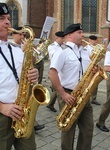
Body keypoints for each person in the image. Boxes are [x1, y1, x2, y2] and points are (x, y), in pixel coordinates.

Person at [49, 23, 94, 150]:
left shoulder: (85, 52)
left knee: (88, 128)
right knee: (68, 130)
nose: (83, 35)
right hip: (69, 95)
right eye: (79, 33)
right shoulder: (62, 52)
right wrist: (63, 94)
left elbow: (88, 71)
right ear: (69, 35)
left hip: (84, 95)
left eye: (82, 32)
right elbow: (52, 73)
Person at [0, 3, 39, 150]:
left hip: (23, 112)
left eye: (8, 18)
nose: (8, 22)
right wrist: (2, 107)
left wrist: (34, 73)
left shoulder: (16, 51)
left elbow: (26, 75)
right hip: (2, 115)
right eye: (1, 18)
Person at [10, 27, 45, 131]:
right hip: (16, 83)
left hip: (26, 81)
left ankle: (31, 121)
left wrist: (31, 50)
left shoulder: (24, 45)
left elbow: (34, 61)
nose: (22, 37)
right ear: (13, 35)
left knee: (28, 103)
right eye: (20, 34)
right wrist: (23, 51)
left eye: (24, 35)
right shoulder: (10, 46)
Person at [46, 31, 65, 112]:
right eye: (62, 38)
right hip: (54, 71)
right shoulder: (52, 47)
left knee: (57, 89)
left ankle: (50, 104)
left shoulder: (63, 46)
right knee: (59, 89)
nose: (63, 39)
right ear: (57, 38)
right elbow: (54, 56)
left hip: (61, 71)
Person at [84, 35, 101, 105]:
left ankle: (93, 98)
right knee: (87, 83)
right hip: (89, 67)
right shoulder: (86, 49)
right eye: (94, 40)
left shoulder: (96, 48)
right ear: (90, 40)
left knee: (95, 82)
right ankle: (86, 97)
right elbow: (87, 58)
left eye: (96, 40)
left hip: (96, 66)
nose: (95, 42)